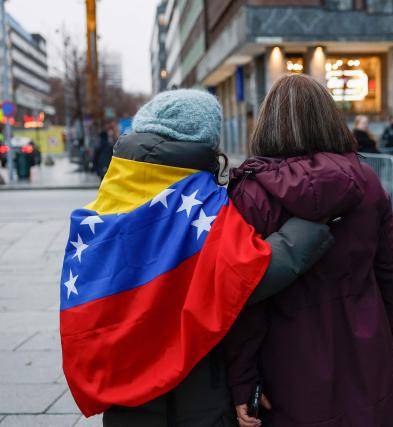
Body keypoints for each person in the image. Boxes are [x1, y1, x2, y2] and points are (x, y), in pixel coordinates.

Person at [59, 89, 335, 426]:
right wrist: (309, 226)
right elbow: (250, 273)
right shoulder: (197, 198)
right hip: (198, 387)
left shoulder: (112, 190)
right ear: (207, 140)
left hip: (124, 390)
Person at [224, 74, 393, 427]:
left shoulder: (251, 194)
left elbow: (245, 294)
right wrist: (384, 329)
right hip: (365, 338)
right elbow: (390, 266)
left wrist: (242, 377)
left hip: (288, 356)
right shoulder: (365, 179)